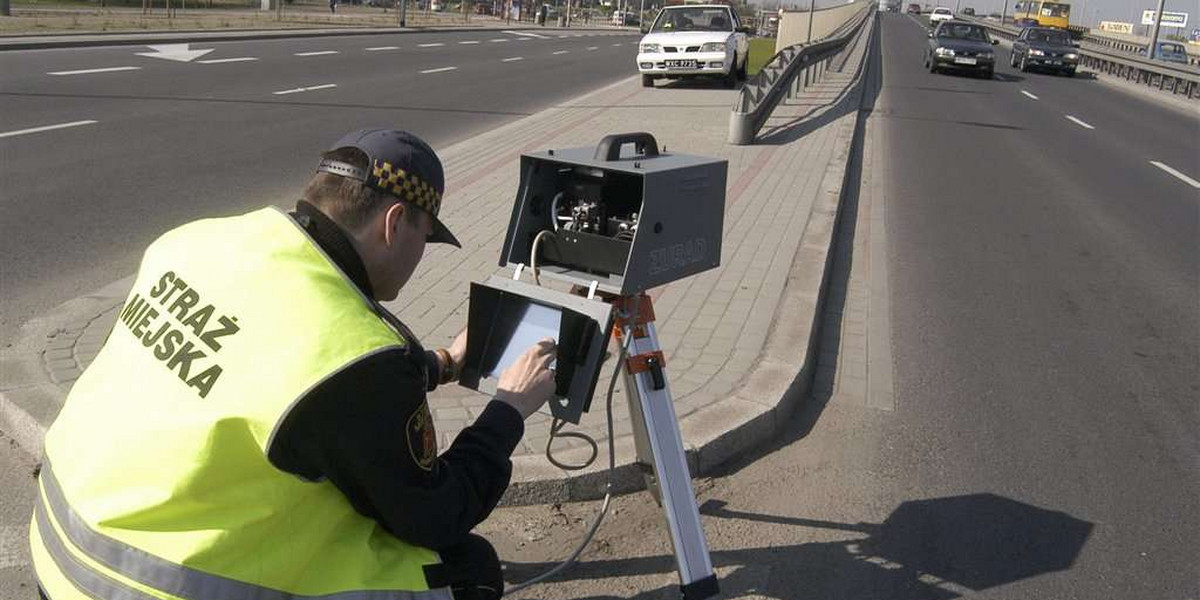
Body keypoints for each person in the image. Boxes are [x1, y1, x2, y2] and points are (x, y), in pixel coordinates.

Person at [29, 129, 558, 600]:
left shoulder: (199, 241)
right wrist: (509, 410)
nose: (422, 255)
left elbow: (275, 364)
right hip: (148, 585)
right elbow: (438, 513)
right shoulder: (357, 357)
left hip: (62, 543)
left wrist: (442, 363)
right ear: (395, 223)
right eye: (426, 236)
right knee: (467, 569)